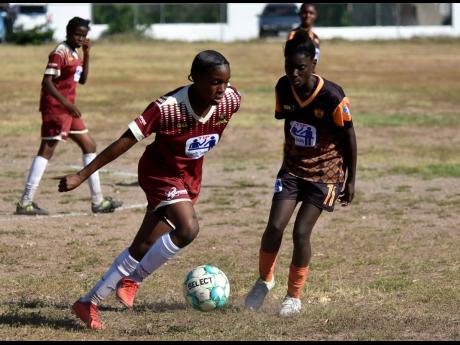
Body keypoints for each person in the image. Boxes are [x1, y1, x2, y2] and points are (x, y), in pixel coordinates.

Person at [57, 50, 241, 329]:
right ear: (195, 79)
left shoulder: (231, 100)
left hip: (189, 177)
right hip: (159, 173)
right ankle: (134, 279)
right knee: (188, 228)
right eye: (215, 82)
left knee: (143, 245)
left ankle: (88, 303)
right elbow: (125, 140)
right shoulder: (167, 107)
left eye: (225, 82)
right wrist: (83, 175)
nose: (222, 89)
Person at [244, 30, 357, 317]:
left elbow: (350, 137)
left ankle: (293, 296)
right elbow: (287, 121)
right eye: (289, 66)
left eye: (301, 67)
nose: (294, 73)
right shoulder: (283, 87)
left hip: (326, 174)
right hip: (293, 171)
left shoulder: (332, 95)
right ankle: (265, 280)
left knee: (301, 231)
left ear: (313, 65)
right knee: (274, 227)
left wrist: (351, 179)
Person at [15, 17, 122, 215]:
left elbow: (82, 80)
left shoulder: (75, 52)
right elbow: (46, 82)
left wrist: (87, 54)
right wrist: (66, 103)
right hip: (56, 108)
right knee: (47, 149)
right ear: (68, 32)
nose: (81, 38)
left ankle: (98, 201)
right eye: (77, 34)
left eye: (84, 35)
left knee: (89, 145)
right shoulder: (60, 52)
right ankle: (25, 202)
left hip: (69, 110)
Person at [287, 3, 320, 70]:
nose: (308, 15)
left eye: (311, 13)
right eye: (304, 12)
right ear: (299, 14)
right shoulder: (293, 35)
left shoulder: (316, 38)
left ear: (316, 15)